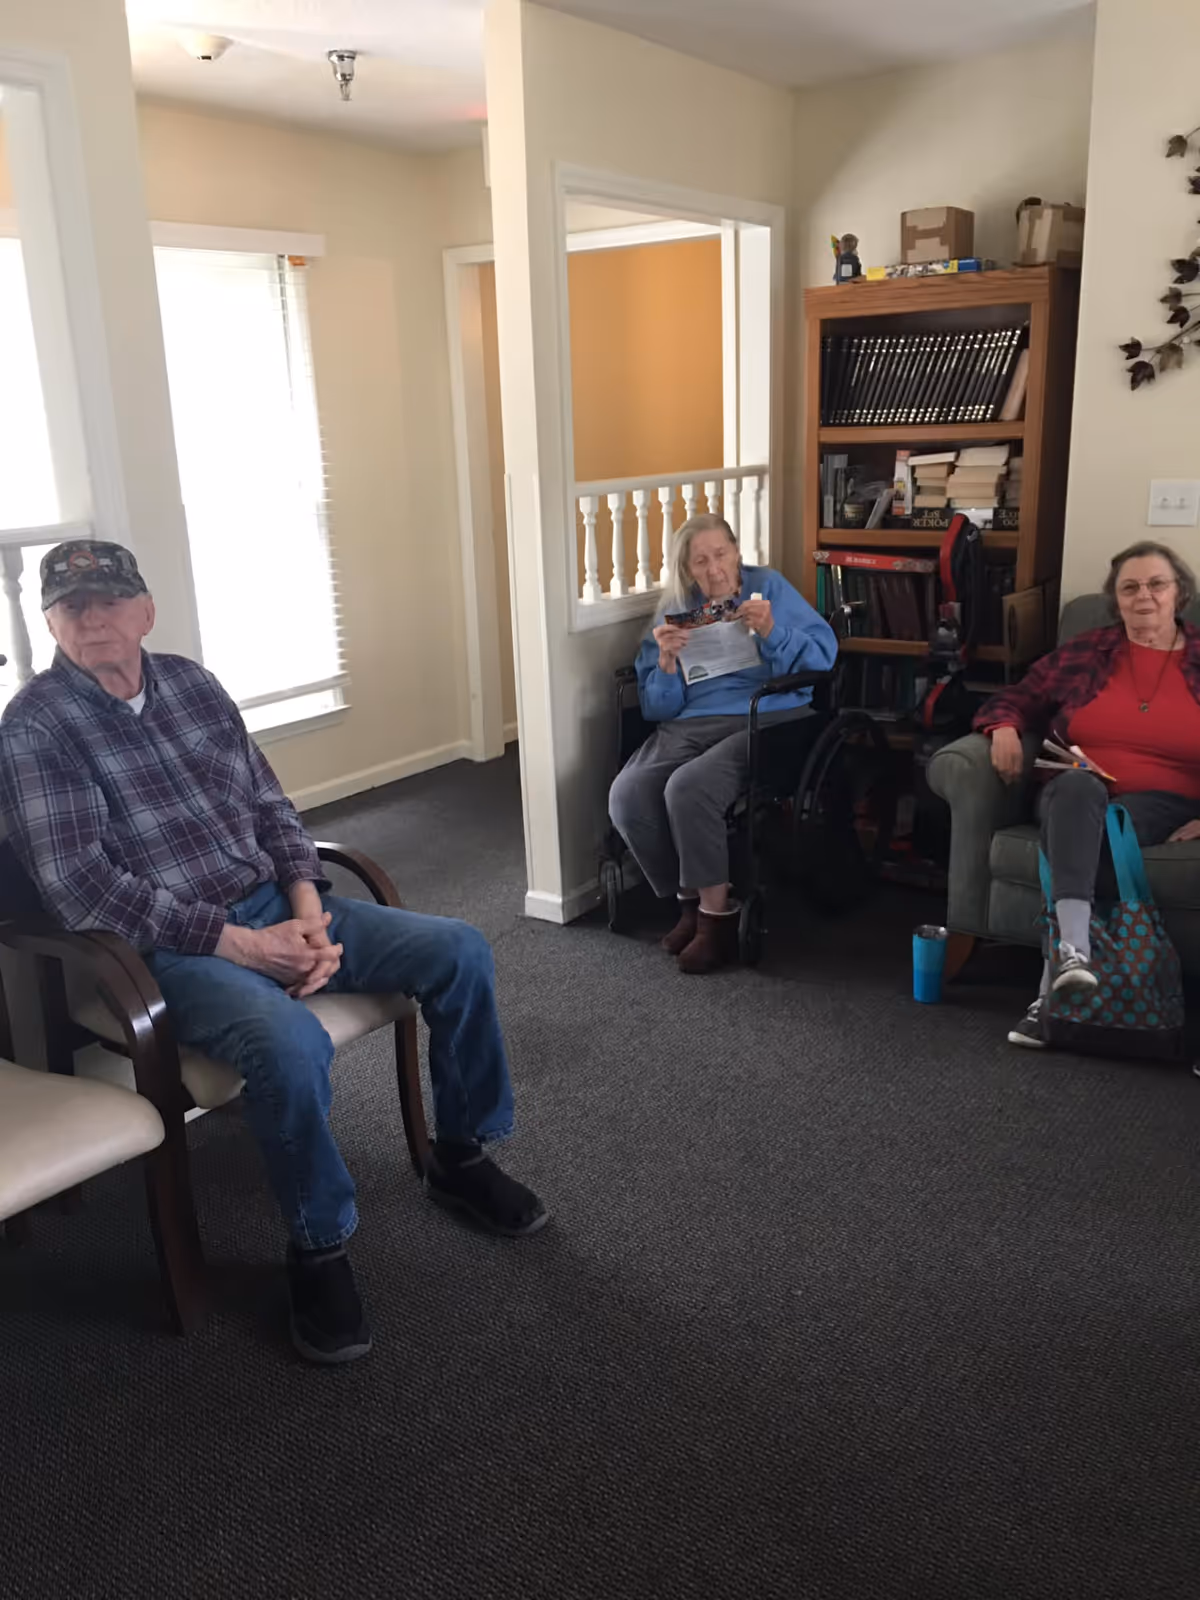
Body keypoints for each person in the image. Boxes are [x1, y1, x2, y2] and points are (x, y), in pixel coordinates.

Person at [0, 540, 547, 1365]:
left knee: (459, 951)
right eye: (72, 608)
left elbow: (271, 806)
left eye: (110, 602)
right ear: (48, 623)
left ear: (146, 612)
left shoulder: (191, 682)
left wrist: (307, 913)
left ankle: (459, 1154)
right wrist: (246, 947)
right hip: (164, 949)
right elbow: (82, 888)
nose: (94, 621)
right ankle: (317, 1245)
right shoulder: (38, 725)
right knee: (287, 1044)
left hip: (273, 907)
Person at [973, 539, 1200, 1048]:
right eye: (1130, 587)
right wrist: (1004, 727)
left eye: (1156, 584)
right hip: (1075, 788)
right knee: (1076, 789)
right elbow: (1018, 695)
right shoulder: (1088, 651)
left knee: (1096, 830)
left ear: (1178, 593)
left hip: (1161, 802)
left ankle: (1050, 987)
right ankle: (1073, 951)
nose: (1144, 596)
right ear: (1115, 600)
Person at [608, 514, 837, 973]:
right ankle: (688, 903)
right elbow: (657, 708)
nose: (713, 569)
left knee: (688, 788)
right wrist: (668, 663)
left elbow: (824, 657)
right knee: (627, 794)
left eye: (721, 554)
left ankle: (717, 920)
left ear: (737, 552)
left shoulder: (767, 587)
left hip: (767, 717)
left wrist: (773, 631)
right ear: (686, 570)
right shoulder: (677, 608)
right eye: (700, 561)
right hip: (691, 723)